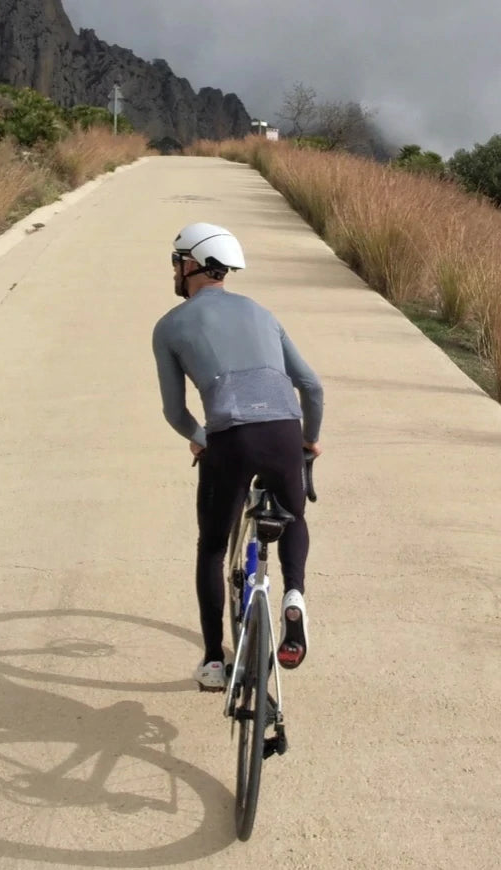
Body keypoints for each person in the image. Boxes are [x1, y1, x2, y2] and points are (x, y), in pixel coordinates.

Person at [151, 222, 324, 691]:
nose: (174, 271)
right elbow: (311, 387)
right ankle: (293, 596)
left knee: (211, 547)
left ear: (191, 265)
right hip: (284, 432)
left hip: (229, 439)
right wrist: (308, 440)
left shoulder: (170, 326)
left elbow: (174, 412)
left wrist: (200, 437)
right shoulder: (262, 313)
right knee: (293, 517)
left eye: (176, 262)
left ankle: (213, 661)